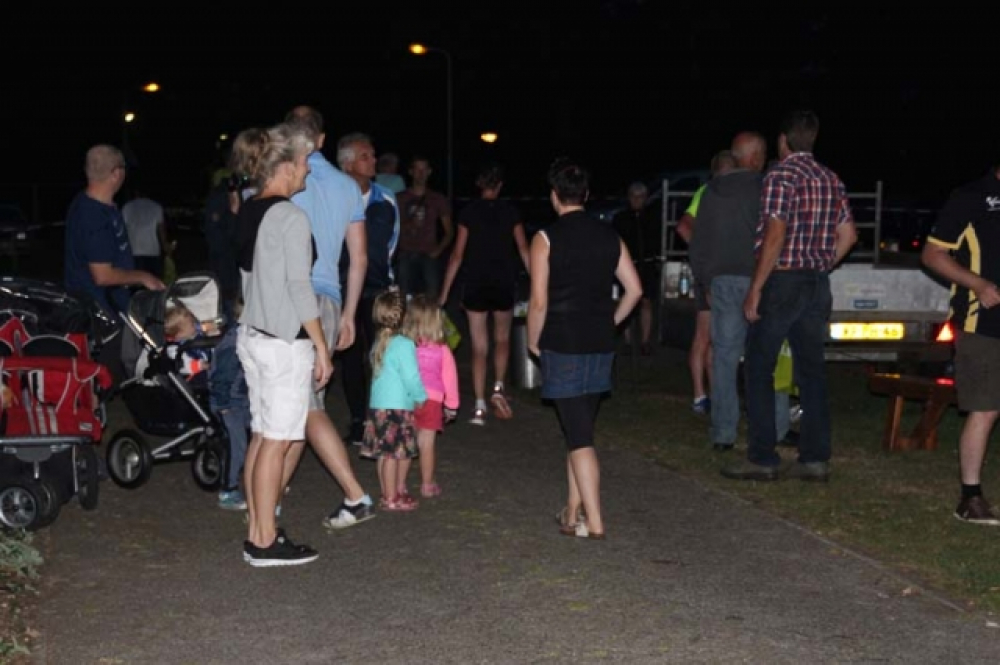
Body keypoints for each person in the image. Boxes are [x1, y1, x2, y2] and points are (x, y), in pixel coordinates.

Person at [723, 109, 857, 483]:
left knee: (758, 366)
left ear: (783, 140)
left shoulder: (780, 175)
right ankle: (814, 458)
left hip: (783, 281)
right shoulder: (831, 178)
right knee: (811, 371)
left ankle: (762, 457)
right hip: (816, 283)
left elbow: (775, 233)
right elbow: (849, 235)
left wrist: (756, 288)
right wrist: (821, 263)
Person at [231, 122, 333, 567]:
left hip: (253, 334)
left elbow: (247, 278)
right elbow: (298, 287)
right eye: (305, 161)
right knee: (276, 441)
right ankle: (264, 542)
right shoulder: (290, 217)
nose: (308, 170)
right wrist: (321, 346)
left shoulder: (249, 209)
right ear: (287, 164)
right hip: (282, 342)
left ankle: (258, 530)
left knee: (262, 437)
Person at [527, 157, 642, 540]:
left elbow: (538, 300)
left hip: (563, 343)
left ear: (554, 196)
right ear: (586, 195)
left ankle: (594, 522)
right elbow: (635, 290)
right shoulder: (610, 236)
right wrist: (611, 323)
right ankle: (572, 511)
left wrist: (532, 339)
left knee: (580, 438)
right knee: (579, 430)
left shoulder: (545, 239)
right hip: (599, 345)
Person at [281, 106, 376, 531]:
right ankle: (270, 498)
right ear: (322, 140)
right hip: (331, 301)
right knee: (299, 404)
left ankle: (355, 495)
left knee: (304, 405)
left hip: (293, 299)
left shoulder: (283, 178)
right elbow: (359, 258)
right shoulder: (346, 186)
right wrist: (350, 314)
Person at [687, 131, 794, 451]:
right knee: (769, 355)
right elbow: (778, 237)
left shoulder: (710, 191)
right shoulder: (767, 188)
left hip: (722, 283)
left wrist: (705, 282)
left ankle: (724, 432)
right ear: (757, 157)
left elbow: (698, 241)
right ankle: (776, 427)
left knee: (724, 358)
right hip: (762, 281)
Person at [921, 165, 1000, 525]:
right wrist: (978, 284)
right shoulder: (971, 196)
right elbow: (933, 253)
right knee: (985, 408)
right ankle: (970, 498)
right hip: (981, 322)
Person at [439, 162, 530, 425]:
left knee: (479, 346)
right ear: (499, 186)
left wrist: (444, 293)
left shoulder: (468, 212)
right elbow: (523, 249)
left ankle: (479, 405)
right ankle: (498, 387)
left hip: (475, 283)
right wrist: (537, 282)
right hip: (503, 282)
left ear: (479, 186)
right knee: (502, 339)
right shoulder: (510, 211)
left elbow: (457, 255)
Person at [64, 145, 165, 381]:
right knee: (109, 377)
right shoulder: (92, 215)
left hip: (112, 305)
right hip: (100, 314)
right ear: (116, 173)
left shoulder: (103, 206)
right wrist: (144, 277)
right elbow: (102, 275)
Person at [335, 132, 401, 446]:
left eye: (373, 155)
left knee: (381, 356)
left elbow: (393, 243)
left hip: (376, 288)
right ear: (347, 165)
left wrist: (382, 272)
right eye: (366, 156)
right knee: (350, 356)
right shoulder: (334, 198)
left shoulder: (385, 199)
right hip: (342, 287)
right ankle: (358, 420)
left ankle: (381, 418)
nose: (374, 161)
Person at [676, 150, 737, 414]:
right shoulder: (707, 192)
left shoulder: (735, 194)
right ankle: (699, 395)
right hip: (710, 274)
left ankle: (715, 393)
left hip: (728, 272)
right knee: (704, 335)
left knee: (717, 337)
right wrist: (704, 253)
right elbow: (683, 226)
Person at [358, 289, 427, 511]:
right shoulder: (404, 344)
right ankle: (390, 497)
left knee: (385, 454)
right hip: (397, 407)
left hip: (379, 406)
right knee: (392, 454)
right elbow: (411, 376)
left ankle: (388, 492)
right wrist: (420, 396)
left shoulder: (380, 342)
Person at [402, 295, 459, 498]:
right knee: (427, 444)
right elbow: (450, 378)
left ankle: (400, 485)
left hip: (407, 399)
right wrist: (451, 405)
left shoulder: (405, 347)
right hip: (432, 400)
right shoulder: (443, 350)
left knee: (406, 442)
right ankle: (427, 484)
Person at [209, 299, 251, 511]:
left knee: (254, 440)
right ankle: (228, 489)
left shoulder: (246, 337)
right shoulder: (233, 343)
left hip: (243, 400)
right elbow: (221, 378)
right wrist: (223, 404)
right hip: (229, 403)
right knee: (237, 446)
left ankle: (257, 479)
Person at [612, 181, 660, 355]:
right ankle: (626, 340)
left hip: (647, 264)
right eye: (634, 196)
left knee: (646, 302)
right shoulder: (620, 219)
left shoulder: (652, 218)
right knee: (626, 300)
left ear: (646, 198)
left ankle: (645, 341)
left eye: (641, 197)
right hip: (626, 265)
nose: (637, 200)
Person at [396, 155, 454, 299]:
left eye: (424, 169)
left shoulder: (437, 199)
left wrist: (438, 250)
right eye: (417, 169)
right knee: (403, 296)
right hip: (406, 252)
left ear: (429, 172)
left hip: (429, 254)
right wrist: (408, 226)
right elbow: (391, 228)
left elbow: (449, 231)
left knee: (431, 296)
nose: (421, 173)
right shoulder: (399, 198)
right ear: (411, 172)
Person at [122, 192, 170, 279]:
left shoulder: (127, 207)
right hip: (153, 251)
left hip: (134, 251)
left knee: (136, 281)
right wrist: (165, 246)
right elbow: (161, 230)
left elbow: (123, 230)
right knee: (153, 280)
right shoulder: (156, 207)